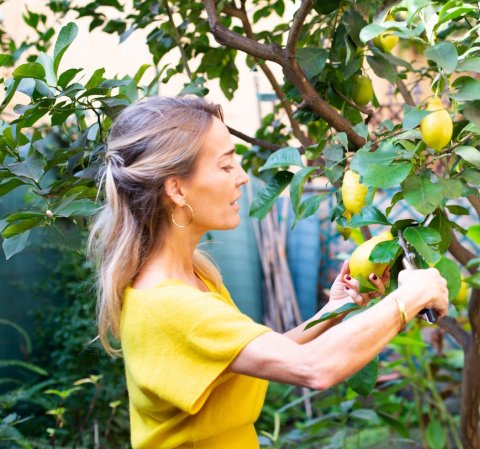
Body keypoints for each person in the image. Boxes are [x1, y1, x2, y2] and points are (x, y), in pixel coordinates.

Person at [88, 96, 449, 449]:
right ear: (177, 189)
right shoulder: (169, 306)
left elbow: (258, 356)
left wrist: (335, 308)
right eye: (226, 166)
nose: (243, 178)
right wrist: (410, 297)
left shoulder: (195, 278)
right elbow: (313, 368)